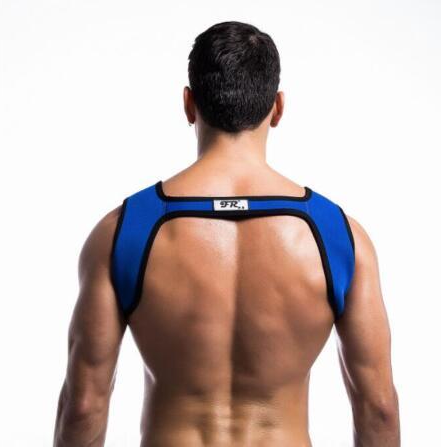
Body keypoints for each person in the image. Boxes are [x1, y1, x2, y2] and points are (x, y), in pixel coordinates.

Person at [53, 21, 400, 447]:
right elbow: (378, 407)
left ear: (188, 104)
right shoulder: (336, 236)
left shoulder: (125, 231)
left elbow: (84, 404)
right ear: (277, 108)